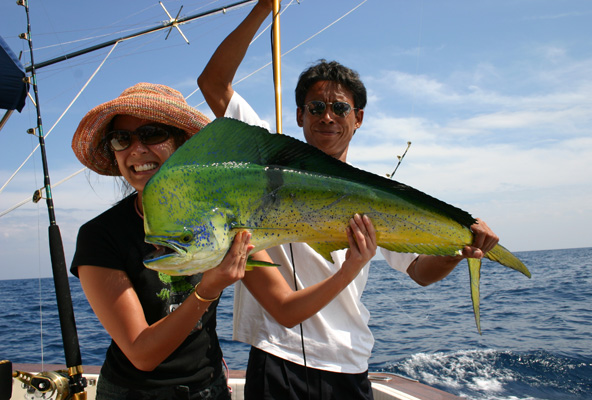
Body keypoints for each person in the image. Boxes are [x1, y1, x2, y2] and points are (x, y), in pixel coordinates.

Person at [197, 1, 500, 399]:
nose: (327, 117)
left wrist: (459, 252)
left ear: (358, 118)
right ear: (300, 116)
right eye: (316, 108)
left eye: (340, 108)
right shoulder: (266, 161)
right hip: (277, 357)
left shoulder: (376, 195)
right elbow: (214, 83)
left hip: (350, 362)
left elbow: (420, 272)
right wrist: (262, 7)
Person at [70, 82, 376, 400]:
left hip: (210, 388)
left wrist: (349, 269)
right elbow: (142, 354)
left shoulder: (223, 217)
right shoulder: (99, 235)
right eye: (122, 139)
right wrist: (208, 288)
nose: (136, 150)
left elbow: (285, 310)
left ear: (181, 145)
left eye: (152, 134)